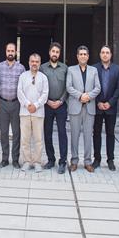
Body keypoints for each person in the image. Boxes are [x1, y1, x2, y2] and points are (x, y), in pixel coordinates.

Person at [66, 46, 101, 172]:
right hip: (75, 106)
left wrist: (88, 96)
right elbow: (69, 87)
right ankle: (74, 161)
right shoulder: (71, 70)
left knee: (88, 136)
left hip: (89, 107)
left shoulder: (94, 70)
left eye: (85, 54)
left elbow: (98, 87)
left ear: (88, 56)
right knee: (74, 135)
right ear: (77, 56)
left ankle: (87, 161)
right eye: (80, 54)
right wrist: (80, 96)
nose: (83, 56)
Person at [17, 53, 49, 171]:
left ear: (40, 63)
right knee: (25, 139)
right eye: (32, 61)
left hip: (38, 112)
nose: (34, 63)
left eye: (37, 61)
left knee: (38, 139)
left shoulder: (43, 77)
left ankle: (37, 162)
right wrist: (27, 104)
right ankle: (26, 161)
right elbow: (19, 92)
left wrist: (36, 105)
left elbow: (45, 94)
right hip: (24, 112)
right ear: (29, 62)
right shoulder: (23, 76)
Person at [40, 42, 69, 173]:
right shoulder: (42, 68)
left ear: (59, 54)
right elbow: (40, 86)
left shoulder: (65, 68)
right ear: (49, 52)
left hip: (61, 105)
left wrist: (61, 100)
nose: (55, 54)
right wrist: (47, 101)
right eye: (53, 51)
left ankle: (63, 161)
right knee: (47, 133)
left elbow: (67, 87)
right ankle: (51, 159)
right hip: (47, 105)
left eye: (57, 52)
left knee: (62, 133)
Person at [0, 43, 25, 168]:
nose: (10, 53)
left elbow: (23, 87)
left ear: (16, 52)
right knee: (3, 133)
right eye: (8, 50)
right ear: (5, 52)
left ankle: (15, 159)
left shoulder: (21, 68)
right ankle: (4, 159)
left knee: (16, 133)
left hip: (16, 104)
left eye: (12, 51)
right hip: (2, 103)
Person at [93, 45, 119, 170]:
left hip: (111, 107)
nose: (105, 54)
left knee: (110, 133)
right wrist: (98, 102)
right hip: (97, 106)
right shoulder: (94, 68)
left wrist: (110, 103)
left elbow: (118, 89)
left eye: (107, 52)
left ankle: (110, 160)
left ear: (111, 55)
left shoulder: (117, 69)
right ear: (100, 54)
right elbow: (91, 87)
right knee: (96, 133)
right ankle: (97, 159)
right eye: (103, 52)